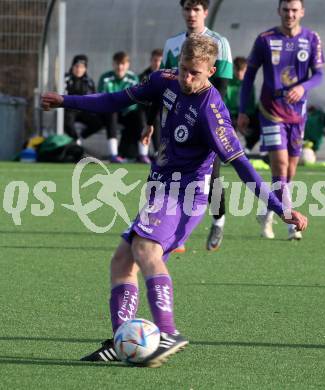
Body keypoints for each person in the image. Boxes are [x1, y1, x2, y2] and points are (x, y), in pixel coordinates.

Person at [42, 34, 308, 368]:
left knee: (145, 249)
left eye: (195, 73)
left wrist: (280, 208)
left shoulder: (214, 112)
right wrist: (66, 101)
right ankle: (124, 339)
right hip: (159, 189)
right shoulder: (164, 81)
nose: (187, 78)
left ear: (211, 71)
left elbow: (243, 166)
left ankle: (169, 332)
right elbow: (116, 100)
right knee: (122, 261)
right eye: (183, 69)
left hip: (187, 194)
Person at [143, 0, 233, 252]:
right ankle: (169, 228)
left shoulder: (220, 43)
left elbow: (222, 88)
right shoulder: (173, 44)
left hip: (205, 122)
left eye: (196, 9)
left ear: (205, 12)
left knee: (211, 178)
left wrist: (213, 122)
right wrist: (150, 122)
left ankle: (218, 220)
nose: (191, 14)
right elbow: (159, 86)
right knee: (164, 172)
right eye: (187, 9)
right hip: (173, 122)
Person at [237, 0, 324, 240]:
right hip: (271, 111)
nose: (290, 14)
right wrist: (244, 110)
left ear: (302, 12)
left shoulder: (312, 39)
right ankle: (289, 221)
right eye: (286, 10)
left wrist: (303, 87)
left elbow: (318, 75)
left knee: (291, 170)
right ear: (279, 12)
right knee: (281, 165)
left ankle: (267, 211)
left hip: (298, 113)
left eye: (294, 10)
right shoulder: (265, 39)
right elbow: (249, 78)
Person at [98, 51, 149, 163]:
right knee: (111, 113)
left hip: (127, 112)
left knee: (140, 116)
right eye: (117, 63)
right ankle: (113, 155)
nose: (120, 67)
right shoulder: (105, 78)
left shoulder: (133, 78)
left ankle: (143, 155)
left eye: (123, 64)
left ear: (127, 65)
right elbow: (101, 98)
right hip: (109, 113)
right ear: (113, 64)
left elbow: (134, 100)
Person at [64, 54, 103, 144]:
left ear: (85, 69)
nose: (79, 69)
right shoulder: (65, 79)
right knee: (67, 121)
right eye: (76, 66)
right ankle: (75, 140)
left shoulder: (89, 82)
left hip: (84, 110)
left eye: (82, 67)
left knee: (98, 123)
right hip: (69, 110)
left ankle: (80, 137)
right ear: (72, 67)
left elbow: (94, 97)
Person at [225, 57, 260, 154]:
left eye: (242, 71)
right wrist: (234, 119)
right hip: (231, 113)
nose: (240, 73)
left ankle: (248, 148)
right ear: (234, 69)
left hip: (246, 114)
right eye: (237, 70)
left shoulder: (249, 83)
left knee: (259, 123)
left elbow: (251, 103)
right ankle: (227, 152)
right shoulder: (227, 82)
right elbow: (224, 102)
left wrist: (245, 116)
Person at [139, 49, 163, 156]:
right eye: (155, 60)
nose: (157, 63)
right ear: (151, 60)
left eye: (159, 61)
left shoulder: (166, 75)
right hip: (144, 107)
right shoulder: (143, 76)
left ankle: (158, 151)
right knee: (143, 121)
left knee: (157, 119)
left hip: (161, 108)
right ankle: (143, 154)